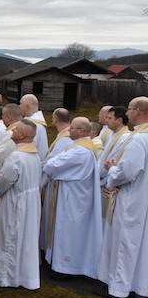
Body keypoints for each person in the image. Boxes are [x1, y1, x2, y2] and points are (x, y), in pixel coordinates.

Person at [98, 97, 148, 298]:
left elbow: (127, 172)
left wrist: (112, 169)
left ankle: (119, 289)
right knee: (141, 243)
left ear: (137, 110)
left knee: (125, 242)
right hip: (143, 197)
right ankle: (140, 285)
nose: (127, 112)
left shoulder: (138, 139)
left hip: (132, 197)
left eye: (129, 108)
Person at [43, 117, 102, 278]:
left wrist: (50, 163)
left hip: (72, 197)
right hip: (76, 194)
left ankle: (65, 267)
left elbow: (51, 166)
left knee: (67, 230)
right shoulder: (82, 147)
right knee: (70, 230)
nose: (69, 130)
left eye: (73, 128)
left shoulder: (80, 151)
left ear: (82, 131)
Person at [0, 119, 42, 290]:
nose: (12, 132)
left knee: (8, 238)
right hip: (30, 203)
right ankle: (24, 275)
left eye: (16, 130)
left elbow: (3, 182)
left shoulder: (16, 157)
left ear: (23, 135)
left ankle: (5, 276)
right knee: (24, 239)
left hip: (14, 203)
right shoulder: (35, 155)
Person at [39, 108, 72, 250]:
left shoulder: (65, 139)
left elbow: (52, 162)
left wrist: (40, 167)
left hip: (56, 185)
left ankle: (50, 249)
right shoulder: (63, 136)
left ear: (56, 118)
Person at [98, 106, 131, 224]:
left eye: (109, 118)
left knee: (106, 221)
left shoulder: (125, 137)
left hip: (109, 184)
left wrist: (102, 178)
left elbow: (111, 162)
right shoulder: (112, 134)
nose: (106, 120)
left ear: (119, 120)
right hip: (103, 181)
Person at [0, 103, 21, 173]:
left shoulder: (12, 135)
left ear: (9, 118)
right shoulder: (23, 130)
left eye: (3, 115)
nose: (1, 117)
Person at [19, 94, 48, 159]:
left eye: (20, 104)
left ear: (27, 106)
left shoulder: (33, 124)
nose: (19, 106)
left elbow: (28, 145)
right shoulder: (36, 121)